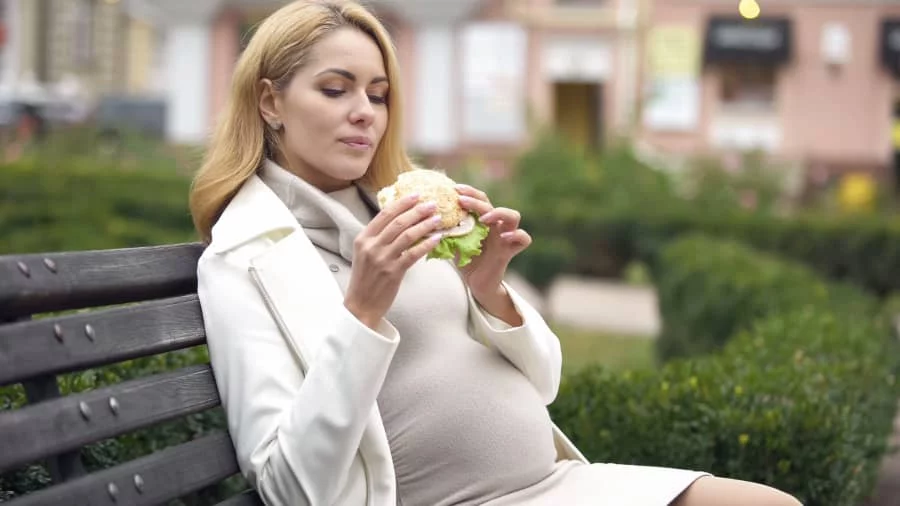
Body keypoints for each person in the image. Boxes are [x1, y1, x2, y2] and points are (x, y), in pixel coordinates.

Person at [189, 1, 803, 505]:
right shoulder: (242, 259)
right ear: (270, 103)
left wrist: (490, 292)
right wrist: (363, 313)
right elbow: (288, 486)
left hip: (557, 483)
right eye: (335, 89)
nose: (365, 113)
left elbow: (547, 382)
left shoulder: (406, 210)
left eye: (378, 95)